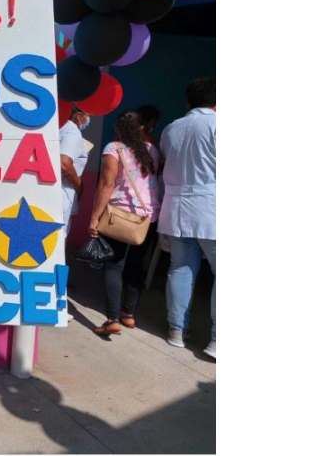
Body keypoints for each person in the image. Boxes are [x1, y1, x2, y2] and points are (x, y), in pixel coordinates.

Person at [87, 111, 162, 335]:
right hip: (148, 218)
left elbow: (106, 184)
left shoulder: (114, 148)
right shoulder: (152, 150)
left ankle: (112, 319)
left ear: (119, 129)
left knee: (113, 265)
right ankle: (128, 314)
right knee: (136, 266)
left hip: (119, 215)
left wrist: (94, 216)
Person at [158, 77, 216, 359]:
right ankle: (217, 340)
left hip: (177, 208)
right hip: (212, 208)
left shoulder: (172, 128)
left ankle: (176, 331)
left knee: (180, 268)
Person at [59, 106, 90, 237]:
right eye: (87, 115)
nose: (88, 120)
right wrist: (79, 185)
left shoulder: (59, 128)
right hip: (62, 193)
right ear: (78, 116)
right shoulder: (72, 131)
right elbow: (64, 163)